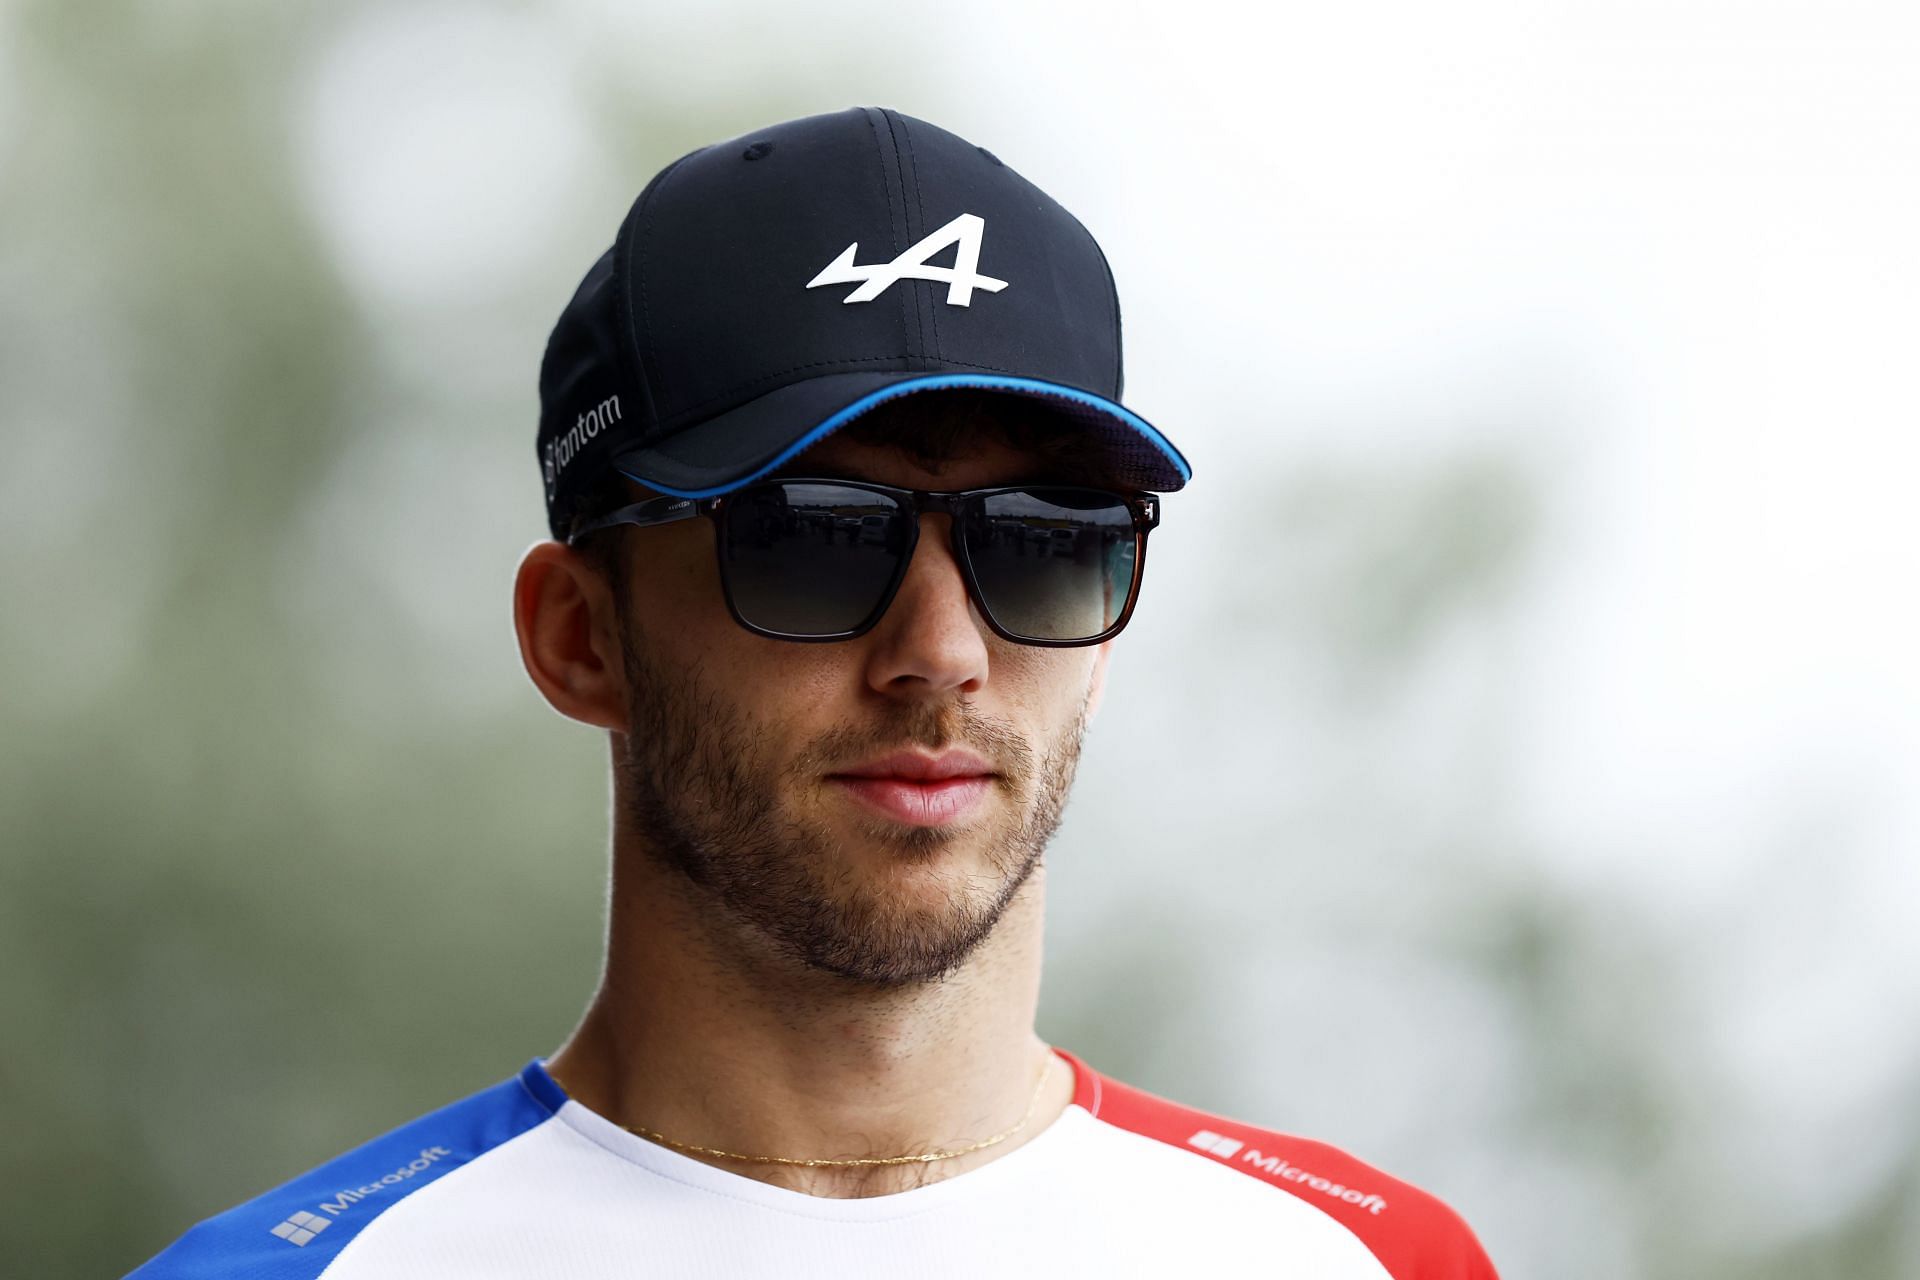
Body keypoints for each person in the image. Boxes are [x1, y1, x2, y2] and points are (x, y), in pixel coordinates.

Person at [130, 106, 1499, 1279]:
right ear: (578, 637)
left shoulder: (1365, 1261)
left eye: (1046, 542)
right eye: (816, 534)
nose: (944, 650)